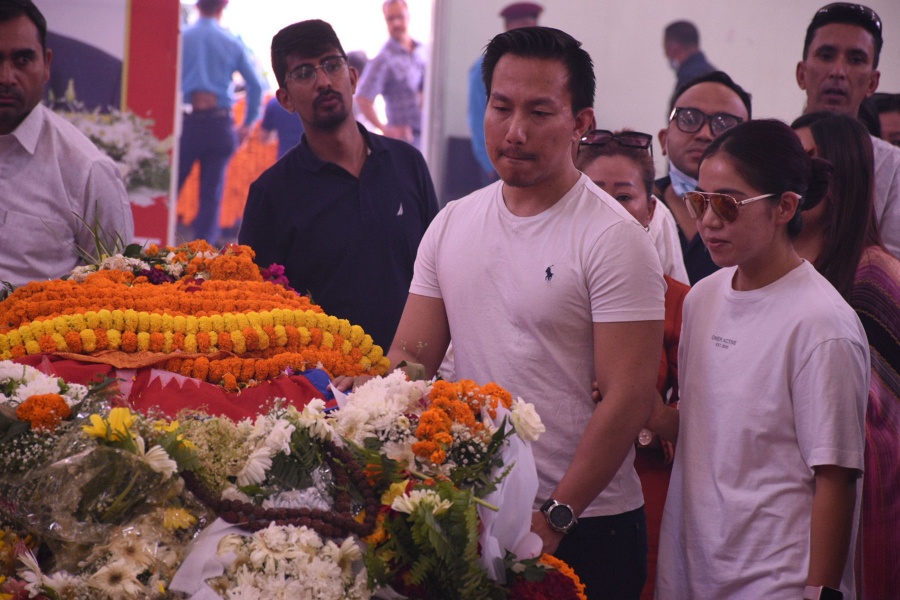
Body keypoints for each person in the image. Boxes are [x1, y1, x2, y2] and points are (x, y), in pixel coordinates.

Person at [388, 26, 665, 599]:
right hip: (472, 510)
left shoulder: (614, 238)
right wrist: (358, 404)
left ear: (580, 122)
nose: (515, 131)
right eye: (501, 107)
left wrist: (556, 516)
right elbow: (411, 360)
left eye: (539, 112)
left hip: (587, 523)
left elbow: (628, 398)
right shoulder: (452, 222)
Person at [651, 119, 869, 599]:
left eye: (727, 204)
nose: (709, 221)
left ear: (785, 207)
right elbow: (709, 432)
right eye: (700, 201)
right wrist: (644, 410)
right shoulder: (702, 298)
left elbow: (835, 475)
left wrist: (819, 591)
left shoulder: (821, 323)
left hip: (777, 577)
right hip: (693, 564)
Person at [238, 20, 439, 352]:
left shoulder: (407, 164)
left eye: (332, 65)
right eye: (304, 73)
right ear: (285, 100)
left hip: (413, 369)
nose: (324, 82)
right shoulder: (272, 194)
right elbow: (258, 313)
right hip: (322, 377)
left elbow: (436, 274)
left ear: (353, 78)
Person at [791, 111, 900, 600]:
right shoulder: (779, 271)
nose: (793, 176)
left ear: (841, 175)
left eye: (808, 161)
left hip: (864, 501)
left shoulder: (874, 277)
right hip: (789, 500)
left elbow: (873, 422)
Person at [575, 129, 689, 600]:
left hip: (641, 496)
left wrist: (641, 413)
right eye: (593, 193)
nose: (607, 209)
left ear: (650, 210)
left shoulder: (681, 304)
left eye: (623, 196)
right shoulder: (536, 288)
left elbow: (706, 423)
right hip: (533, 491)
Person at [0, 0, 133, 288]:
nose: (6, 77)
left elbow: (118, 291)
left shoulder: (87, 171)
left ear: (46, 64)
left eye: (22, 60)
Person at [796, 2, 900, 259]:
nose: (838, 72)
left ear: (872, 82)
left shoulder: (894, 167)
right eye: (826, 55)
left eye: (855, 60)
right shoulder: (769, 152)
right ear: (802, 73)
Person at [177, 0, 263, 245]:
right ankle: (202, 253)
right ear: (221, 8)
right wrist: (247, 124)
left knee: (168, 186)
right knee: (211, 195)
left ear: (197, 6)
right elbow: (256, 86)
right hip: (220, 124)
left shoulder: (182, 37)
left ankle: (151, 240)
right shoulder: (232, 42)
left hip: (187, 121)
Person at [655, 70, 751, 284]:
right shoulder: (636, 204)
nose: (704, 134)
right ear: (664, 139)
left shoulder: (759, 216)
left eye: (724, 124)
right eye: (689, 119)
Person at [467, 2, 543, 185]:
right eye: (523, 27)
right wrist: (490, 165)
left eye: (533, 28)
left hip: (531, 161)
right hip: (498, 162)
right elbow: (477, 119)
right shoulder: (485, 67)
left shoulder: (540, 67)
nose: (529, 35)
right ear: (508, 27)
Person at [356, 0, 426, 149]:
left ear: (408, 16)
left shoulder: (424, 50)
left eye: (400, 17)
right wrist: (386, 130)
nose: (396, 23)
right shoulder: (383, 59)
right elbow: (362, 98)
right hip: (407, 143)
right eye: (390, 19)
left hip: (431, 134)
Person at [663, 20, 716, 107]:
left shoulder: (688, 79)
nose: (666, 54)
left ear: (674, 47)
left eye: (666, 48)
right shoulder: (713, 74)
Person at [260, 95, 303, 159]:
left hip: (286, 159)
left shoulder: (274, 103)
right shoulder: (315, 103)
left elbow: (264, 138)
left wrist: (283, 133)